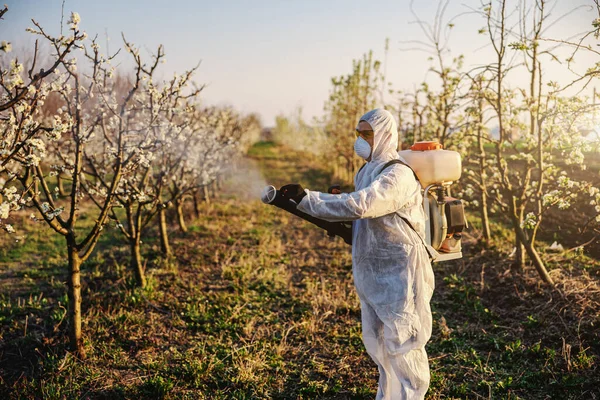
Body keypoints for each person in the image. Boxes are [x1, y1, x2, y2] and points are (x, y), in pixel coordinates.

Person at [280, 108, 435, 399]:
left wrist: (311, 199)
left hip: (401, 270)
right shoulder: (366, 171)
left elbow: (363, 205)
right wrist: (334, 210)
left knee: (403, 341)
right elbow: (362, 212)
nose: (360, 140)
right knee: (378, 342)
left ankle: (411, 396)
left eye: (367, 134)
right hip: (374, 270)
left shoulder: (398, 174)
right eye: (358, 133)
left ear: (384, 135)